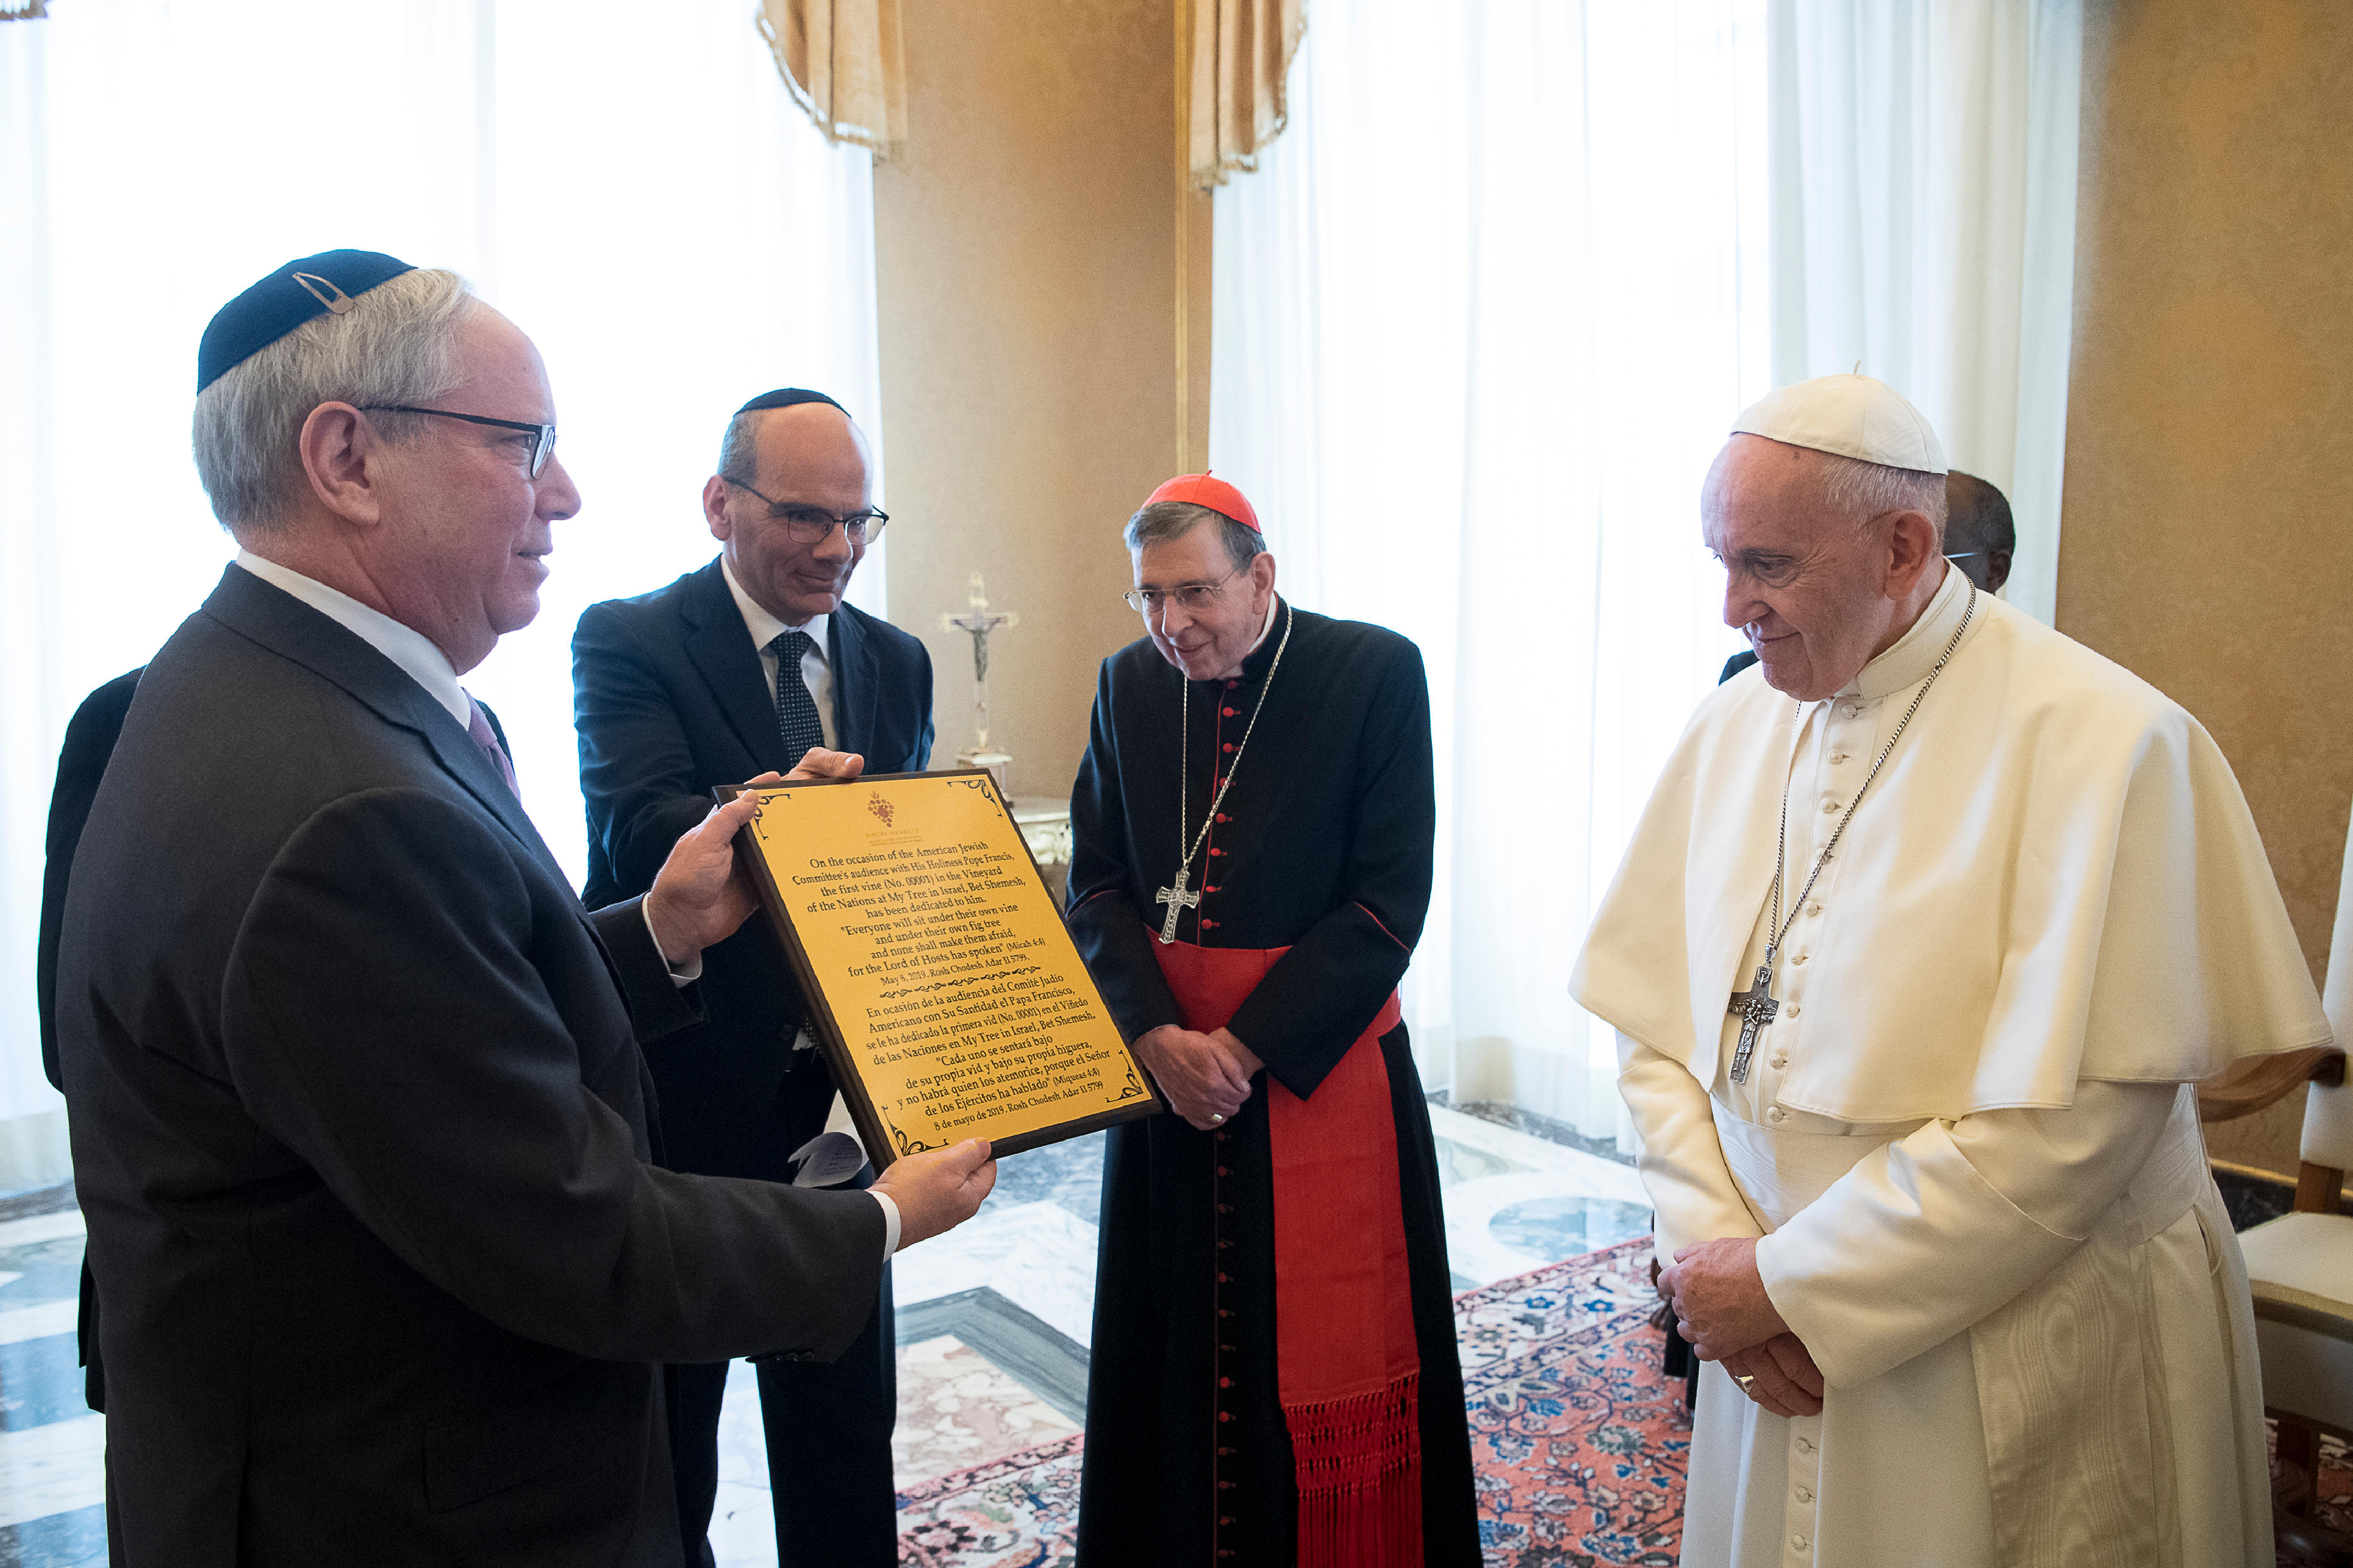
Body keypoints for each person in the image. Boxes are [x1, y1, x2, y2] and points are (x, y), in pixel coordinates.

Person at [53, 250, 995, 1565]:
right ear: (347, 459)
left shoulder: (230, 687)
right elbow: (579, 1232)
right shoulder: (349, 810)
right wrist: (883, 1213)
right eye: (523, 443)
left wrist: (658, 928)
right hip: (409, 1495)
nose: (565, 492)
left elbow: (423, 1016)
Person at [1572, 373, 2330, 1567]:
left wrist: (1795, 1282)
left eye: (1767, 564)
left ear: (1904, 547)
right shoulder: (1734, 722)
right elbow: (1653, 1025)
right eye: (1722, 561)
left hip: (2017, 1326)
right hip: (1757, 1311)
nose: (1732, 607)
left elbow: (2079, 1124)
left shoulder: (2107, 741)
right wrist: (1718, 1250)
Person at [1066, 475, 1479, 1568]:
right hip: (1168, 1083)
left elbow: (1387, 902)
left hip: (1314, 1068)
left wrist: (1241, 1048)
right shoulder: (1127, 683)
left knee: (1317, 1349)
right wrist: (1155, 1036)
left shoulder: (1371, 671)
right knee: (1169, 1350)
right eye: (1150, 596)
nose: (1171, 624)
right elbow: (1096, 885)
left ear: (1261, 576)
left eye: (1195, 592)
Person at [573, 387, 932, 1568]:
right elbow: (639, 828)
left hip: (839, 1102)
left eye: (857, 519)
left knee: (843, 1422)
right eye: (804, 516)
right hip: (687, 1087)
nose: (837, 547)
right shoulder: (628, 638)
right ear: (720, 504)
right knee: (674, 1426)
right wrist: (791, 817)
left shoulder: (897, 658)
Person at [1721, 467, 2012, 682]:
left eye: (1771, 565)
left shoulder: (2030, 690)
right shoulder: (1746, 682)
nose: (1733, 616)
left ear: (1996, 571)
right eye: (1723, 562)